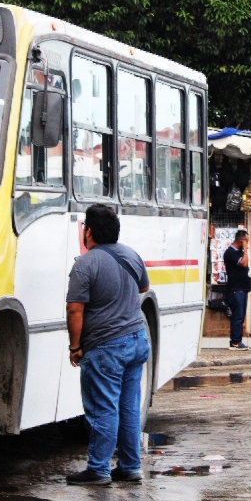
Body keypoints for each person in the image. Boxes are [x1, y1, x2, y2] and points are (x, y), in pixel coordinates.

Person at [65, 204, 152, 486]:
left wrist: (75, 347)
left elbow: (75, 310)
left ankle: (99, 469)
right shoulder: (132, 254)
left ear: (88, 232)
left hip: (106, 347)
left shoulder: (85, 263)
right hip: (138, 341)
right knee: (128, 407)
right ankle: (129, 466)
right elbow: (143, 289)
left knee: (104, 408)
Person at [222, 230, 251, 350]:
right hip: (236, 289)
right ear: (241, 241)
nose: (247, 244)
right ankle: (235, 341)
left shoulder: (239, 252)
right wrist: (245, 249)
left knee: (241, 315)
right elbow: (244, 263)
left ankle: (237, 340)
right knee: (237, 316)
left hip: (242, 288)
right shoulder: (230, 253)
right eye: (246, 241)